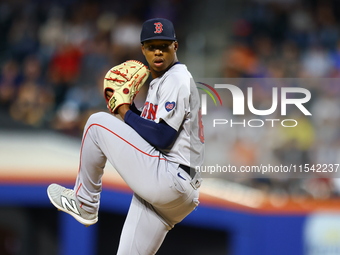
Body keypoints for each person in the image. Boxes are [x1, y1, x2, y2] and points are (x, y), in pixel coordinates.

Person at [47, 17, 204, 254]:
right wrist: (129, 109)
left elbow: (162, 138)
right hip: (175, 191)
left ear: (176, 46)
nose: (158, 52)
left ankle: (85, 203)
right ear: (143, 49)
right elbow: (150, 134)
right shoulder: (160, 82)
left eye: (164, 45)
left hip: (170, 177)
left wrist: (123, 111)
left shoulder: (177, 78)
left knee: (96, 124)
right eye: (152, 47)